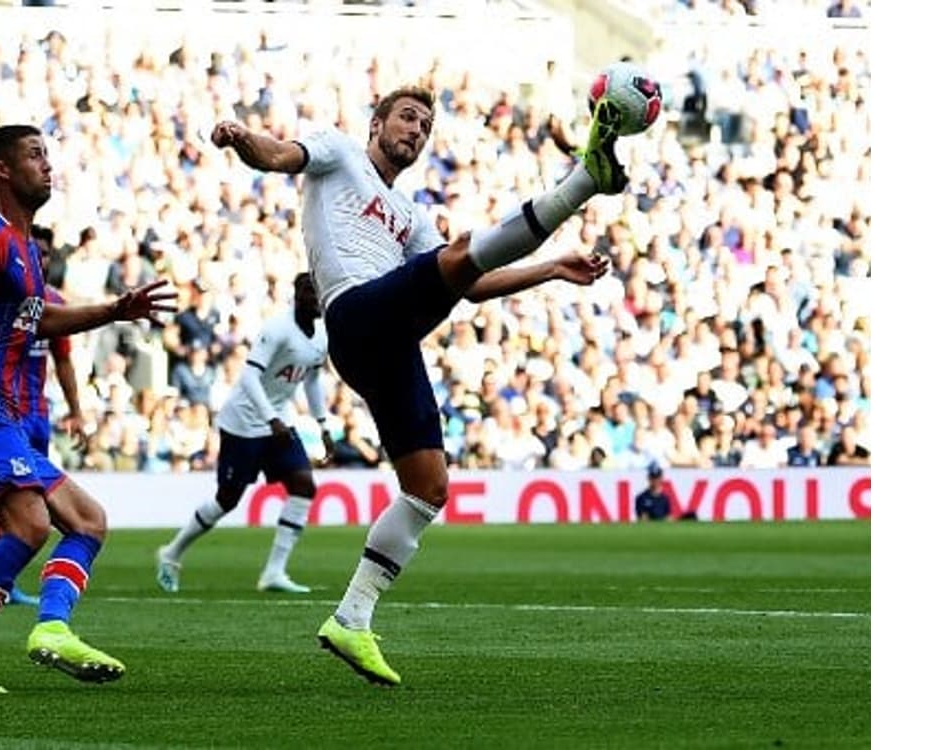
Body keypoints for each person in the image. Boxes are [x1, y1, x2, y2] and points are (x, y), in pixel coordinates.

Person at [211, 84, 625, 684]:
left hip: (391, 340)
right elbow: (276, 155)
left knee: (429, 487)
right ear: (375, 122)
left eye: (425, 126)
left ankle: (352, 618)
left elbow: (471, 285)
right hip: (354, 313)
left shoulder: (411, 217)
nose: (416, 130)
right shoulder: (338, 151)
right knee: (458, 254)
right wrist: (241, 137)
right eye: (406, 117)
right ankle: (583, 181)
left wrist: (552, 270)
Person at [0, 124, 176, 694]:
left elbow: (43, 321)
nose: (47, 165)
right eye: (35, 156)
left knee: (88, 523)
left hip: (6, 416)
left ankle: (52, 628)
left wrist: (114, 310)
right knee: (31, 525)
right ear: (3, 171)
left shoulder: (28, 249)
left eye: (47, 155)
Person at [155, 273, 333, 595]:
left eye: (318, 292)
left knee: (304, 485)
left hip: (278, 421)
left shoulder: (322, 334)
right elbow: (249, 378)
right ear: (297, 294)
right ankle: (172, 552)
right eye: (309, 292)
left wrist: (323, 424)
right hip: (244, 422)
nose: (315, 298)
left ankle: (274, 572)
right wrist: (271, 419)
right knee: (227, 500)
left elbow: (311, 380)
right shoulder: (278, 329)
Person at [3, 223, 85, 607]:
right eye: (35, 252)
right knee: (25, 499)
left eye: (47, 254)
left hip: (38, 414)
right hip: (6, 412)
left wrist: (77, 411)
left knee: (28, 499)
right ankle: (3, 581)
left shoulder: (54, 303)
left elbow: (64, 362)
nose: (42, 259)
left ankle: (5, 581)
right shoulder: (4, 301)